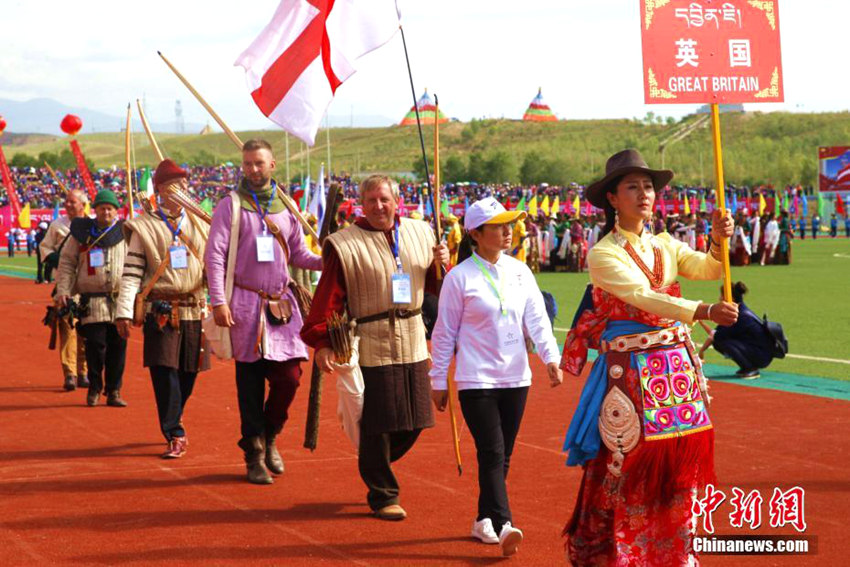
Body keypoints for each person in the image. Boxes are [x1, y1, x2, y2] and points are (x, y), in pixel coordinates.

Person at [559, 149, 737, 565]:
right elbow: (644, 297)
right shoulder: (603, 253)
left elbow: (710, 268)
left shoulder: (665, 244)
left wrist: (717, 238)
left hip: (674, 370)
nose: (644, 194)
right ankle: (622, 552)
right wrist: (704, 311)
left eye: (649, 187)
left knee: (677, 465)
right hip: (631, 373)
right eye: (633, 187)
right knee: (627, 456)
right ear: (612, 199)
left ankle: (673, 548)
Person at [301, 174, 449, 521]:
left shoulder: (422, 232)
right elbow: (328, 299)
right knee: (378, 422)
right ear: (361, 205)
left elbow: (437, 285)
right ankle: (383, 493)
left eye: (384, 199)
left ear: (397, 202)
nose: (378, 206)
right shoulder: (344, 244)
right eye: (371, 201)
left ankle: (373, 456)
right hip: (370, 340)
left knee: (415, 420)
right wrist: (323, 343)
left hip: (412, 336)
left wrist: (442, 262)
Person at [429, 197, 563, 557]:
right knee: (492, 452)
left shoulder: (521, 271)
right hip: (476, 381)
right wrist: (437, 380)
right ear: (475, 233)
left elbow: (537, 318)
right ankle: (504, 524)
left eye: (509, 224)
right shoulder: (459, 278)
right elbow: (444, 332)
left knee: (502, 457)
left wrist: (550, 356)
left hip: (517, 377)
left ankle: (482, 519)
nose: (508, 231)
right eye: (499, 225)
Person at [205, 139, 323, 485]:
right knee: (250, 385)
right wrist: (218, 302)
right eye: (247, 164)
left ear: (273, 165)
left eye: (259, 163)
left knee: (289, 378)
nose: (252, 170)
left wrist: (328, 258)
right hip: (243, 303)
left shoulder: (287, 206)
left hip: (281, 305)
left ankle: (270, 434)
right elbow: (215, 255)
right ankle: (254, 454)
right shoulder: (231, 205)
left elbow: (299, 253)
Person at [115, 160, 211, 459]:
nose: (182, 189)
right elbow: (131, 273)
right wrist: (123, 311)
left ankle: (174, 416)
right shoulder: (144, 226)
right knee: (164, 370)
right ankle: (175, 432)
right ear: (159, 189)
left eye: (184, 183)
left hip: (194, 308)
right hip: (162, 309)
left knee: (188, 372)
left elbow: (215, 266)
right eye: (174, 184)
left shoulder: (201, 223)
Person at [55, 189, 128, 407]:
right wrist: (63, 290)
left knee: (118, 347)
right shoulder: (81, 233)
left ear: (116, 211)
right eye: (102, 208)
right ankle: (95, 387)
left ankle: (114, 390)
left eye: (110, 208)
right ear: (94, 209)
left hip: (119, 302)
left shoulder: (127, 232)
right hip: (91, 302)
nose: (106, 212)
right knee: (95, 346)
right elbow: (67, 262)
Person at [40, 190, 89, 391]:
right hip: (65, 282)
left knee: (86, 329)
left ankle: (84, 371)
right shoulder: (57, 225)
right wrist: (57, 260)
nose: (68, 204)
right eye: (66, 201)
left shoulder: (91, 225)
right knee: (67, 326)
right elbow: (45, 247)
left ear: (83, 204)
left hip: (87, 281)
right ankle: (70, 373)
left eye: (72, 201)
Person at [698, 282, 775, 379]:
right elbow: (715, 333)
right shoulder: (737, 310)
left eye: (722, 296)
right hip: (756, 350)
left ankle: (750, 369)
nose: (720, 298)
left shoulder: (741, 316)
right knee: (718, 342)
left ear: (731, 298)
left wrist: (701, 317)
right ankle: (746, 366)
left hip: (762, 356)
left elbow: (717, 335)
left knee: (723, 342)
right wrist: (702, 351)